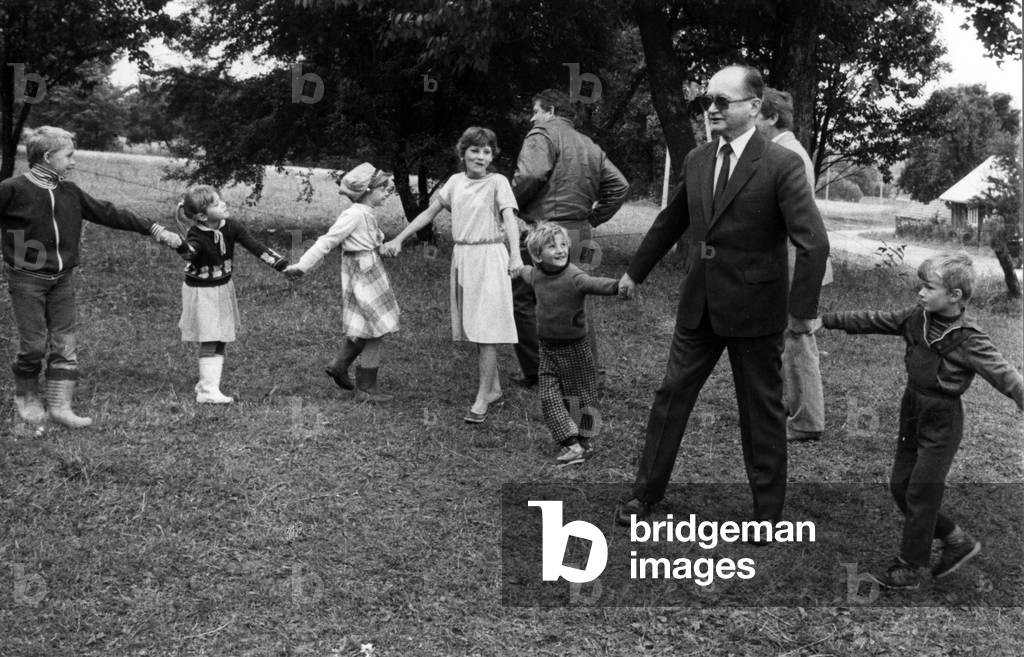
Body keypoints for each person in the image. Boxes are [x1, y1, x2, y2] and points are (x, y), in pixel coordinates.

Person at [615, 65, 830, 527]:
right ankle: (644, 495)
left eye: (722, 102)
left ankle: (767, 515)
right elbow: (672, 220)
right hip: (699, 308)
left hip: (757, 313)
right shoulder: (697, 160)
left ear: (754, 107)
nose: (711, 109)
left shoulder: (781, 164)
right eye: (707, 101)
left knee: (761, 413)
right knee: (670, 397)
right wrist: (635, 272)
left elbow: (813, 243)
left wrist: (801, 314)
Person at [820, 253, 1023, 589]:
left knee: (921, 491)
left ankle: (911, 567)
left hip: (942, 420)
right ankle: (957, 541)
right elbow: (875, 319)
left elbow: (1006, 374)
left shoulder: (970, 339)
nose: (921, 293)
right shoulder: (916, 318)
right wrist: (827, 320)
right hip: (912, 408)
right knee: (901, 486)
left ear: (955, 296)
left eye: (929, 287)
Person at [0, 126, 183, 428]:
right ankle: (27, 398)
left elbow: (109, 213)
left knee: (64, 344)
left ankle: (60, 406)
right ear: (47, 157)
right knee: (33, 345)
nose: (73, 162)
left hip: (62, 281)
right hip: (26, 281)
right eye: (69, 156)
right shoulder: (12, 189)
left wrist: (156, 229)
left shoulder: (69, 192)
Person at [382, 127, 523, 422]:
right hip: (463, 258)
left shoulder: (498, 182)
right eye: (475, 150)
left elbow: (510, 217)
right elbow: (428, 214)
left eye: (487, 151)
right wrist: (399, 239)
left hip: (490, 256)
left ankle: (483, 397)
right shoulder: (455, 182)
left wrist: (516, 256)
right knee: (475, 325)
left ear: (492, 155)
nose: (481, 157)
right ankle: (494, 388)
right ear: (463, 153)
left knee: (487, 329)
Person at [510, 89, 629, 388]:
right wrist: (592, 218)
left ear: (549, 110)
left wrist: (509, 208)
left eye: (535, 110)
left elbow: (530, 175)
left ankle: (540, 373)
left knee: (524, 297)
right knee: (579, 296)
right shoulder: (589, 144)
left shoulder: (541, 134)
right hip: (580, 232)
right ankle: (586, 373)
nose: (532, 117)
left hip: (543, 231)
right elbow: (620, 185)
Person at [755, 87, 834, 442]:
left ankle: (807, 421)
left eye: (756, 113)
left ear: (771, 117)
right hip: (786, 263)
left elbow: (799, 227)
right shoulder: (783, 150)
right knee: (788, 341)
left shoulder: (789, 155)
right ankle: (793, 409)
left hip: (795, 263)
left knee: (799, 339)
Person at [284, 164, 399, 403]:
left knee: (367, 325)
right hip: (362, 274)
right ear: (368, 189)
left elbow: (367, 242)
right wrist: (302, 265)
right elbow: (327, 241)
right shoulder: (354, 214)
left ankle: (340, 365)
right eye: (383, 188)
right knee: (376, 329)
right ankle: (366, 388)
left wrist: (382, 249)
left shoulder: (366, 212)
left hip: (370, 269)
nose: (388, 192)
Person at [513, 222, 622, 465]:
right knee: (549, 397)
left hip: (575, 348)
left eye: (563, 244)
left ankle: (586, 440)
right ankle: (571, 444)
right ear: (537, 255)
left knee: (581, 396)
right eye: (552, 247)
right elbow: (525, 273)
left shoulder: (574, 276)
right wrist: (515, 269)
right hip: (548, 349)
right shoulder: (537, 275)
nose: (560, 250)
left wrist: (618, 286)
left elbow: (595, 283)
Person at [177, 185, 288, 404]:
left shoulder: (231, 226)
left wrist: (281, 265)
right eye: (217, 204)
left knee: (221, 336)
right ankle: (207, 391)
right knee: (211, 337)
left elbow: (254, 245)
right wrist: (182, 248)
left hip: (222, 287)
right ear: (201, 216)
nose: (224, 204)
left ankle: (207, 384)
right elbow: (191, 252)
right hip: (203, 292)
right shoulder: (197, 235)